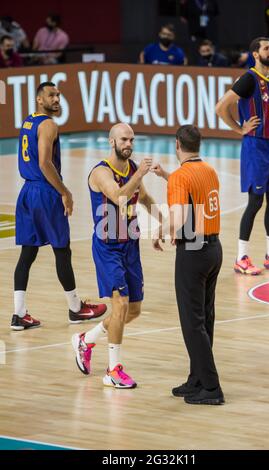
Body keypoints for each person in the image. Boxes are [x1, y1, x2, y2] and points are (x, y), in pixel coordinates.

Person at [12, 82, 107, 330]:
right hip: (45, 192)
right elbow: (45, 163)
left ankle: (18, 314)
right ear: (39, 100)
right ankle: (76, 309)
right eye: (51, 95)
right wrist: (64, 191)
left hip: (27, 191)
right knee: (62, 249)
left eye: (58, 95)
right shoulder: (49, 124)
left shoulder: (28, 121)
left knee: (28, 253)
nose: (57, 99)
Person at [72, 123, 159, 389]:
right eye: (124, 139)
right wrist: (141, 173)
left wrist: (163, 224)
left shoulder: (132, 169)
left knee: (133, 310)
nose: (128, 143)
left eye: (131, 139)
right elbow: (120, 196)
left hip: (130, 245)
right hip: (108, 247)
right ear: (112, 142)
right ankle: (113, 370)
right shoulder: (100, 172)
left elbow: (142, 197)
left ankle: (86, 340)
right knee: (119, 306)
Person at [152, 125, 224, 406]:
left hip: (193, 252)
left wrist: (159, 230)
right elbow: (193, 192)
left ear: (176, 145)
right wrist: (166, 176)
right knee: (205, 318)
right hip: (213, 249)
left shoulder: (181, 178)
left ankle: (212, 387)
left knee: (192, 322)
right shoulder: (208, 170)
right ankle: (197, 378)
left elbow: (179, 217)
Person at [216, 37, 269, 275]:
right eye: (266, 48)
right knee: (255, 202)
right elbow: (221, 107)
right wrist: (240, 128)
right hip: (256, 147)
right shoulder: (249, 79)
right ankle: (241, 257)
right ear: (255, 54)